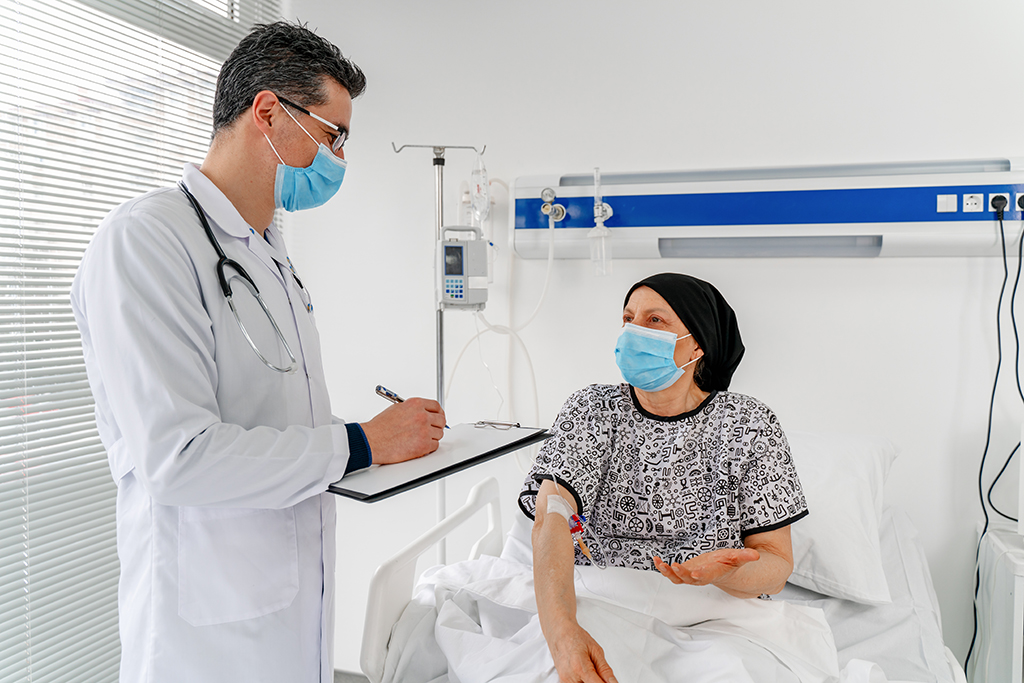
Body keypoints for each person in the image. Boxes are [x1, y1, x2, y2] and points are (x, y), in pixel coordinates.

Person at [70, 22, 446, 683]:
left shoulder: (268, 253)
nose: (337, 158)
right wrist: (360, 443)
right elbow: (178, 457)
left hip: (287, 622)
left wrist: (378, 437)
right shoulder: (146, 242)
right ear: (268, 111)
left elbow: (272, 428)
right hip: (205, 645)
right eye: (333, 135)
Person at [518, 273, 808, 683]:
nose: (635, 331)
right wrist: (563, 634)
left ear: (697, 343)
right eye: (629, 318)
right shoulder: (594, 409)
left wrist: (726, 572)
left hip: (712, 614)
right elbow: (552, 518)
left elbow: (775, 565)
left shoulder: (747, 424)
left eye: (655, 321)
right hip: (597, 598)